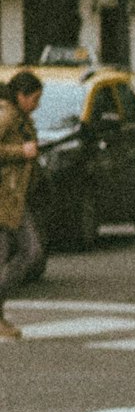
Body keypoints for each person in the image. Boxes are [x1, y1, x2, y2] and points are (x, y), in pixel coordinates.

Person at [0, 70, 45, 342]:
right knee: (30, 252)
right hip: (6, 198)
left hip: (13, 198)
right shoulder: (7, 115)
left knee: (10, 254)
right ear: (21, 96)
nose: (37, 104)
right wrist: (21, 152)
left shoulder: (19, 117)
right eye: (35, 98)